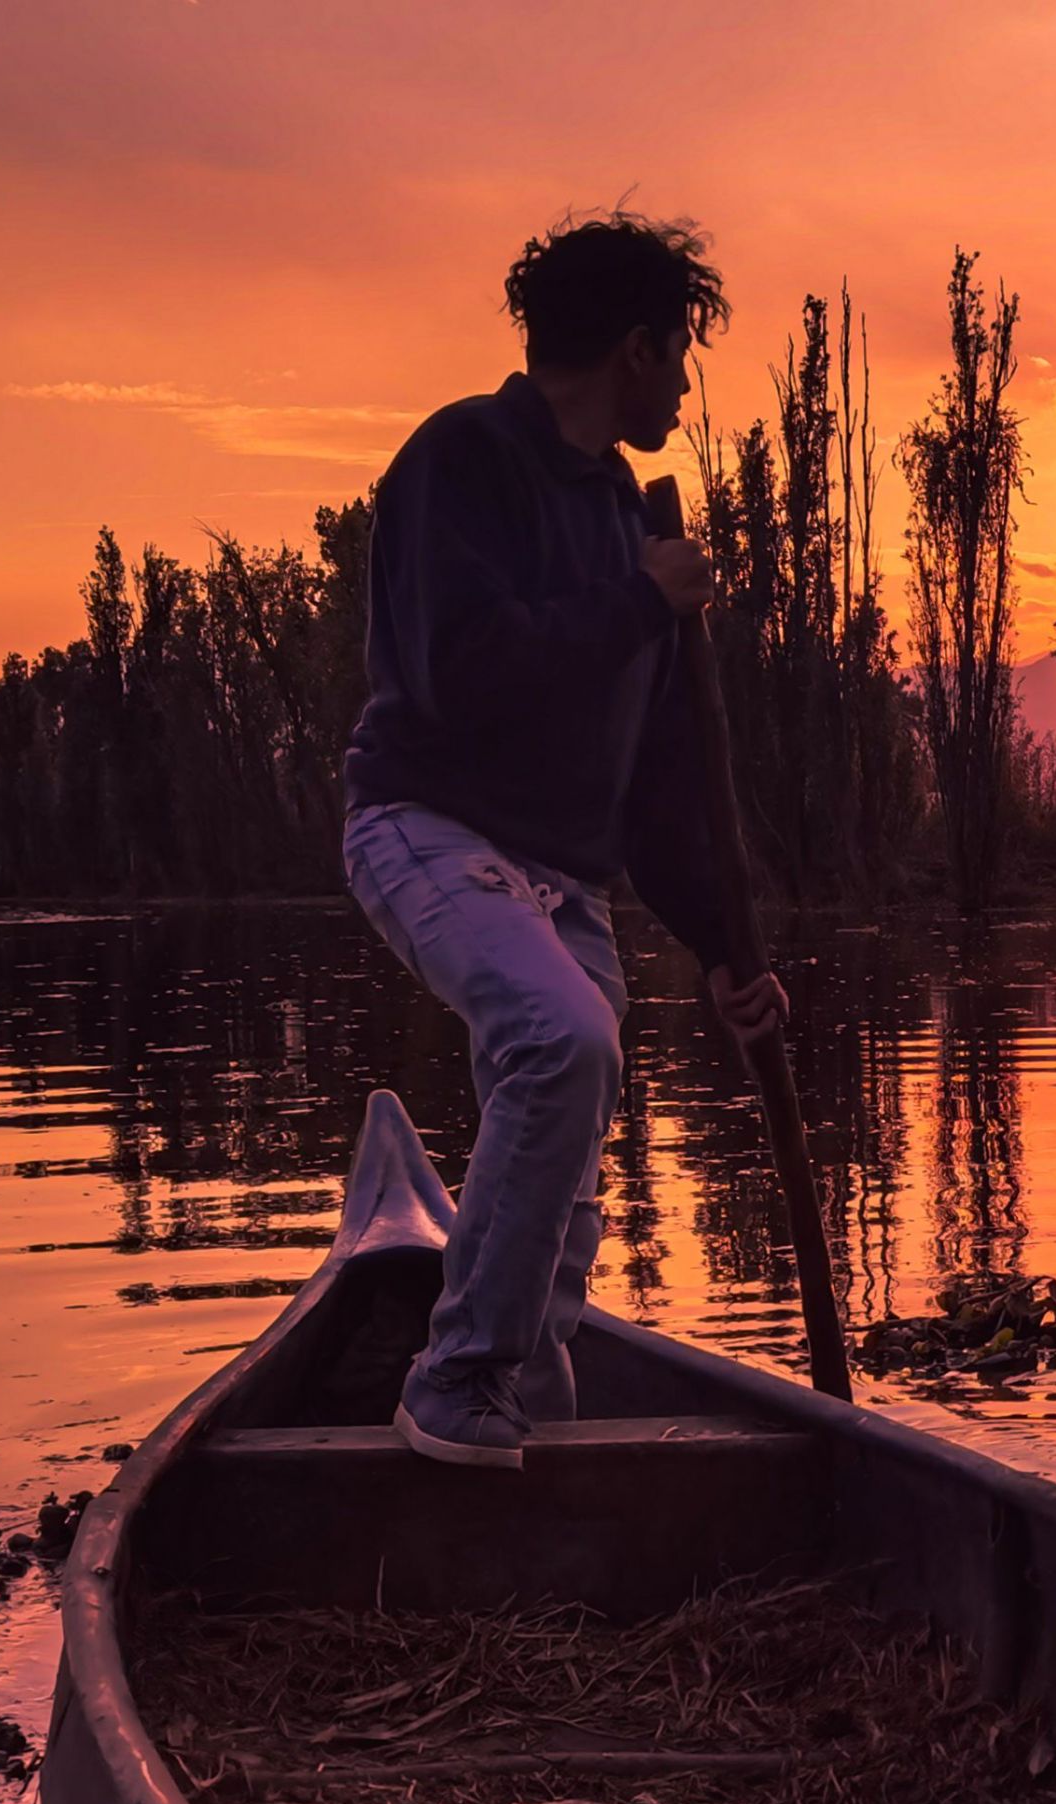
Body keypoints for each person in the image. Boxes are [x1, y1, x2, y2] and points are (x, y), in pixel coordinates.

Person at [342, 211, 786, 1469]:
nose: (687, 387)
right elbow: (461, 672)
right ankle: (455, 1377)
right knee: (562, 1038)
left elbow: (646, 782)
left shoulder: (619, 523)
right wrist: (638, 600)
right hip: (425, 826)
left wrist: (717, 950)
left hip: (563, 877)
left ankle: (520, 1424)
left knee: (571, 1190)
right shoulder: (462, 459)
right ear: (636, 349)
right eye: (681, 354)